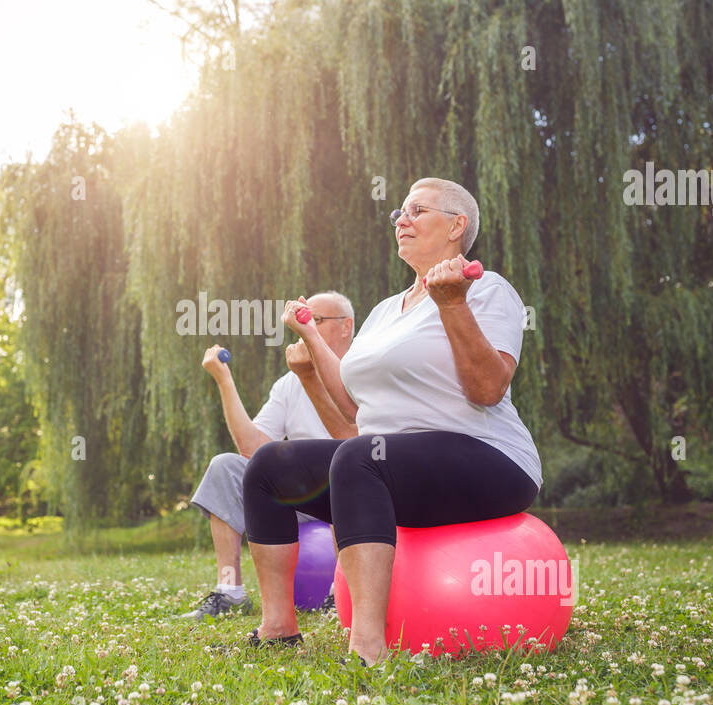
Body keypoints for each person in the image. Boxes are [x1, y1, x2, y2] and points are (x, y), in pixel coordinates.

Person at [241, 178, 542, 663]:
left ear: (456, 225)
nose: (401, 220)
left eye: (417, 210)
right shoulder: (384, 312)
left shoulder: (485, 289)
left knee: (360, 458)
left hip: (488, 458)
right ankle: (278, 629)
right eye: (399, 213)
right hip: (391, 469)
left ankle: (367, 645)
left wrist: (452, 303)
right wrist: (312, 338)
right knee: (271, 467)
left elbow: (488, 389)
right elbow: (355, 411)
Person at [179, 292, 358, 619]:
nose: (306, 328)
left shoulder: (363, 370)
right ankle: (230, 590)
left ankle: (340, 593)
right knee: (225, 467)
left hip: (355, 490)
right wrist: (224, 381)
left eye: (315, 320)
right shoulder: (290, 383)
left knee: (344, 464)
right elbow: (253, 448)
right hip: (304, 495)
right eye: (302, 320)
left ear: (346, 327)